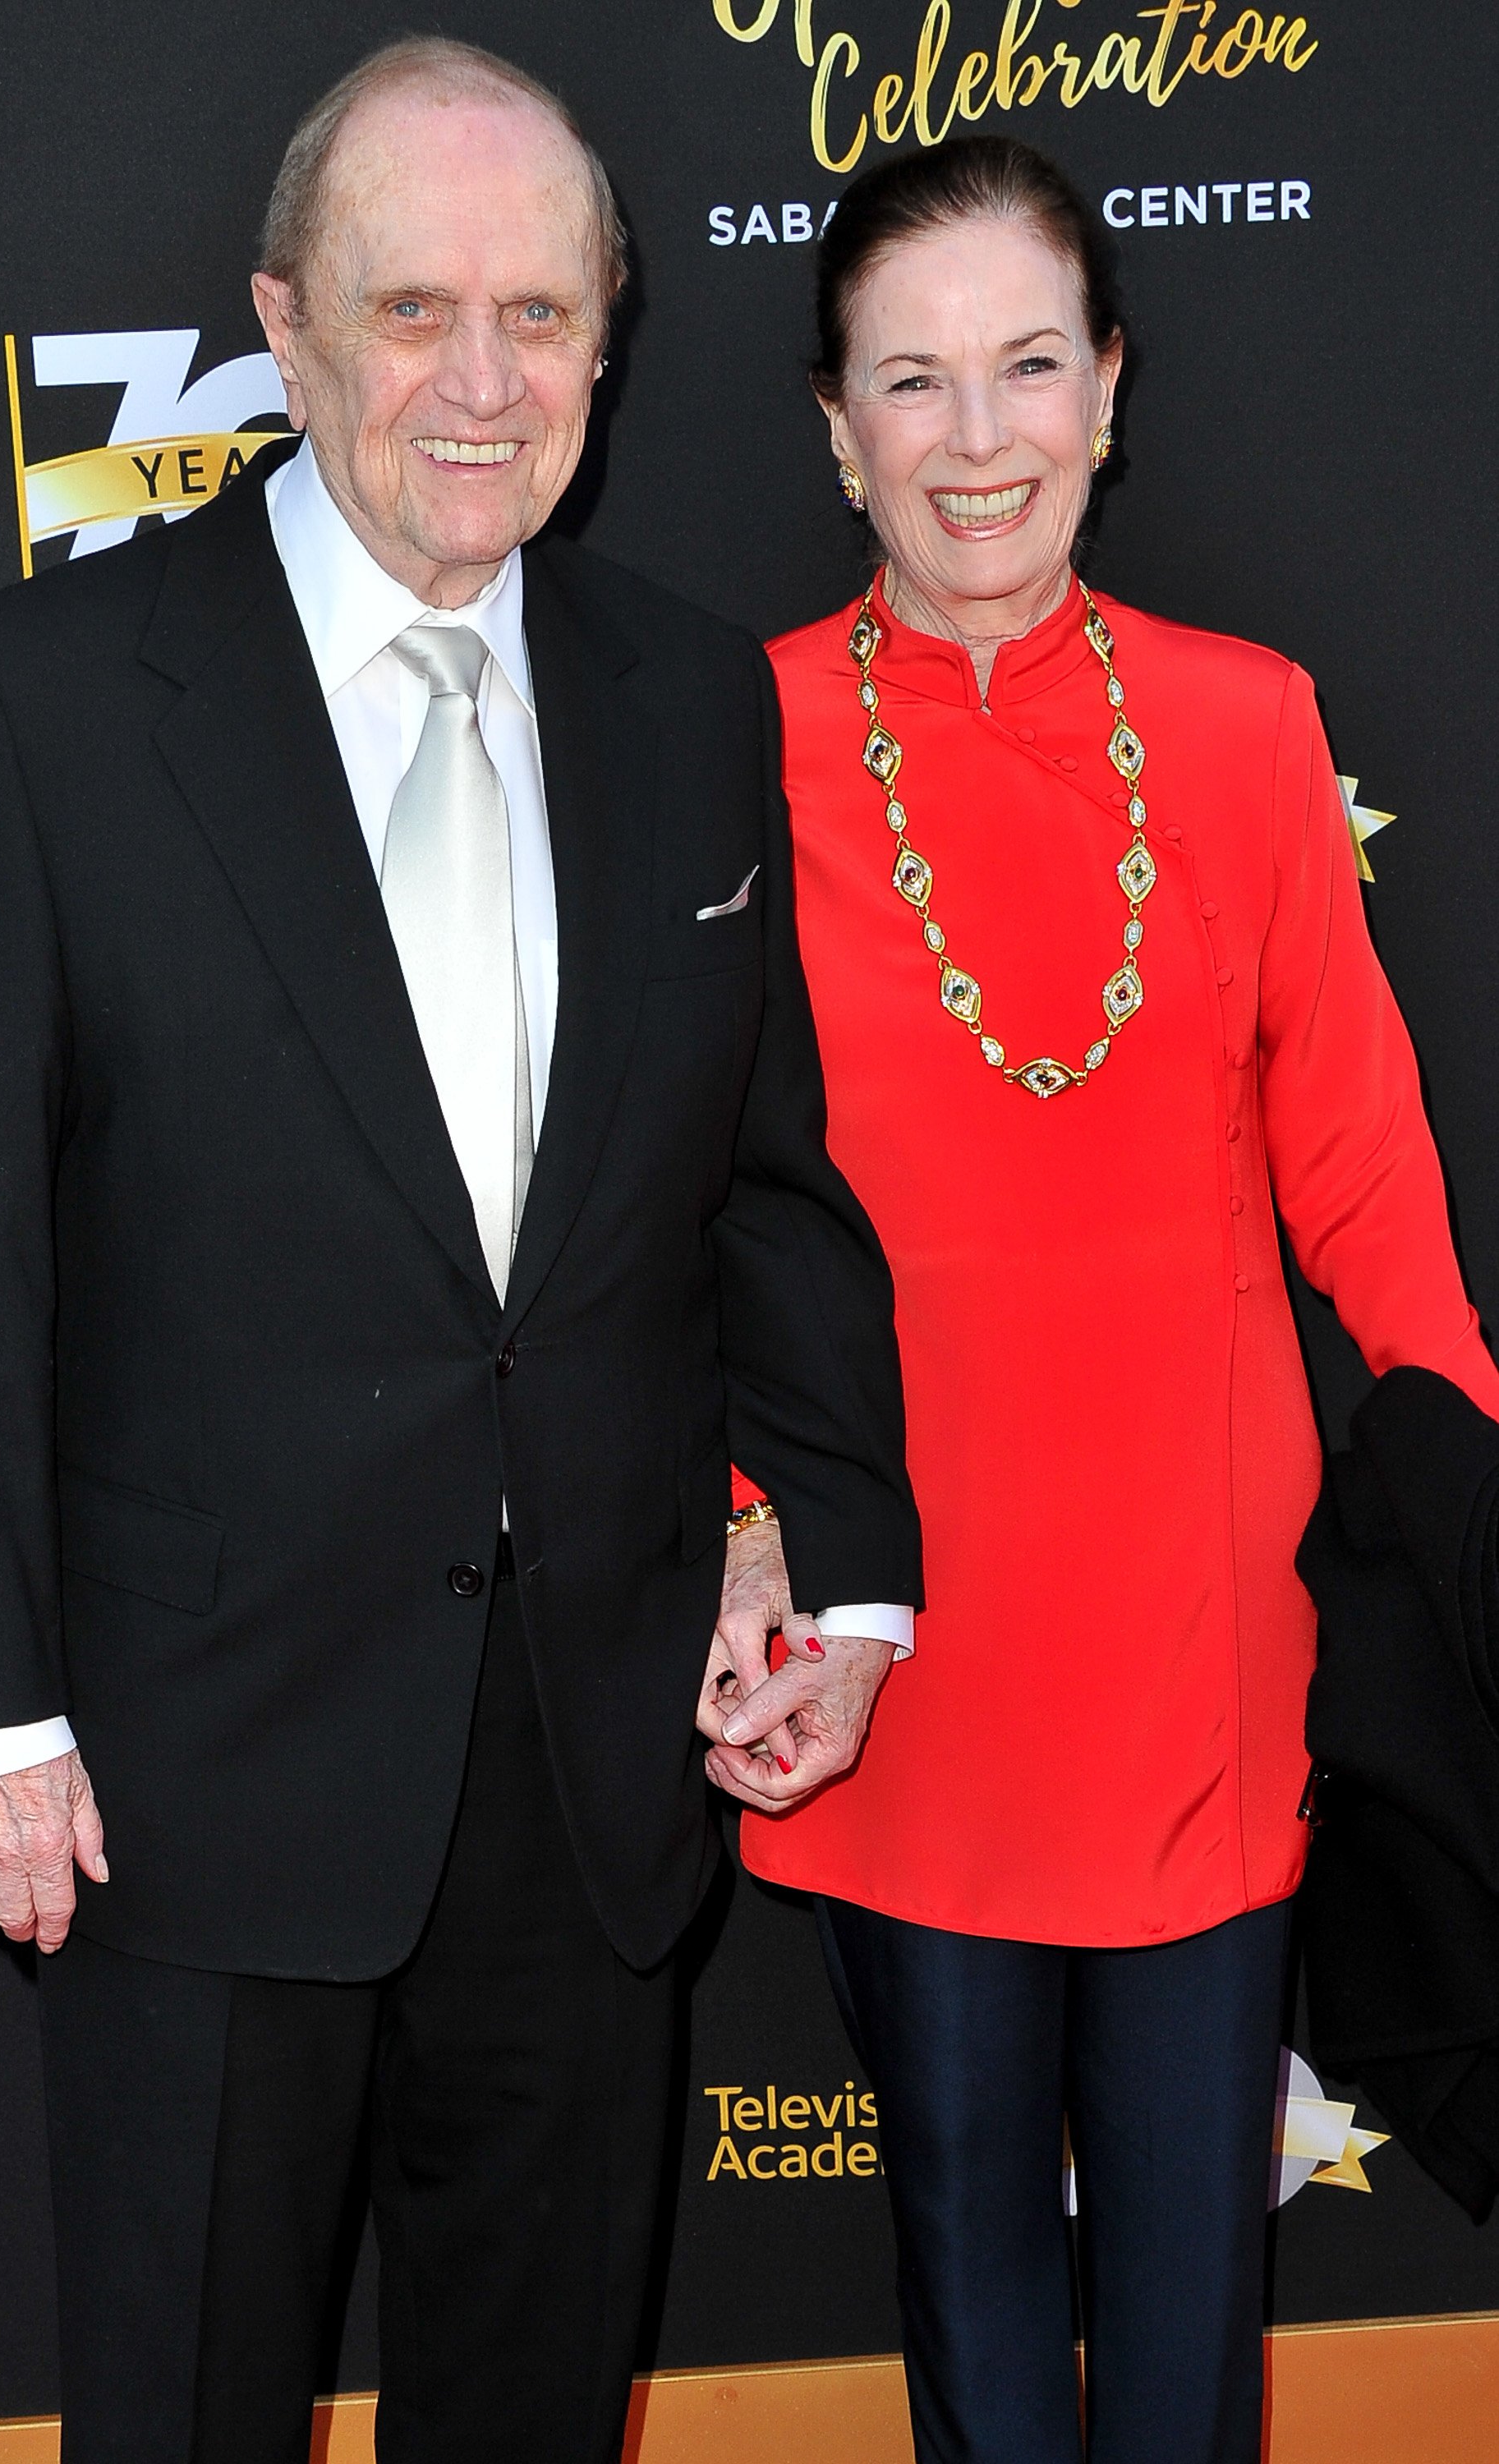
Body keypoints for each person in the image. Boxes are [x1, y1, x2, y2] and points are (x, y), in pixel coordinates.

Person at [0, 39, 921, 2464]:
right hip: (190, 1778)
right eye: (413, 306)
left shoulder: (677, 696)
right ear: (285, 323)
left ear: (610, 341)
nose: (480, 380)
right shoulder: (44, 700)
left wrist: (842, 1572)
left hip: (586, 1774)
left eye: (541, 315)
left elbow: (755, 1183)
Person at [704, 136, 1499, 2464]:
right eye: (912, 381)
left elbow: (1359, 1174)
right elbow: (665, 1227)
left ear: (1109, 391)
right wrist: (755, 1536)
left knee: (1186, 2315)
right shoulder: (718, 749)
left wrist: (1457, 1492)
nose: (976, 440)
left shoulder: (1246, 726)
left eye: (1027, 365)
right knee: (965, 2283)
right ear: (833, 427)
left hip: (1201, 1641)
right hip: (896, 1641)